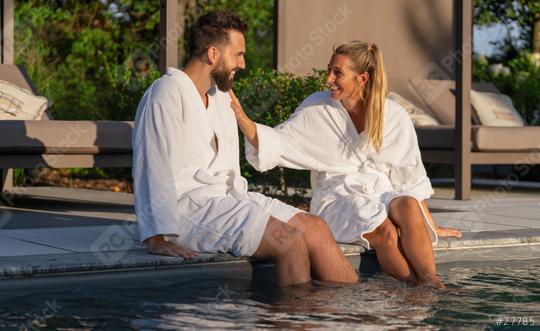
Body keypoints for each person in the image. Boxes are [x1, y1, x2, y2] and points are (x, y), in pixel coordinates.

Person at [132, 11, 358, 287]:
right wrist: (156, 237)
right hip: (188, 209)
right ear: (213, 54)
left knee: (316, 228)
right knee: (289, 242)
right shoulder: (165, 93)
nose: (243, 63)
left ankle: (353, 318)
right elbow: (150, 164)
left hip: (229, 199)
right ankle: (295, 322)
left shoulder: (220, 96)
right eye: (238, 54)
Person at [230, 41, 462, 288]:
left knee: (407, 203)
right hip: (338, 199)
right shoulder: (318, 107)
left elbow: (410, 178)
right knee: (386, 232)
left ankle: (432, 283)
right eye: (330, 70)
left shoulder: (393, 116)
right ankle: (414, 290)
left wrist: (430, 223)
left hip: (380, 191)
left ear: (362, 78)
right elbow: (276, 142)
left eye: (337, 73)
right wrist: (242, 118)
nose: (328, 79)